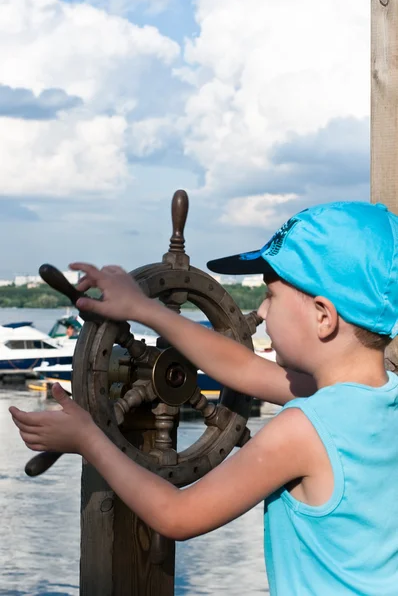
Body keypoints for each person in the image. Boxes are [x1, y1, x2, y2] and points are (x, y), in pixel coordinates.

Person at [9, 200, 398, 595]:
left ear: (323, 316)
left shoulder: (303, 430)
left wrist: (88, 439)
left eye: (271, 295)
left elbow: (177, 515)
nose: (261, 310)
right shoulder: (380, 397)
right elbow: (245, 369)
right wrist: (144, 309)